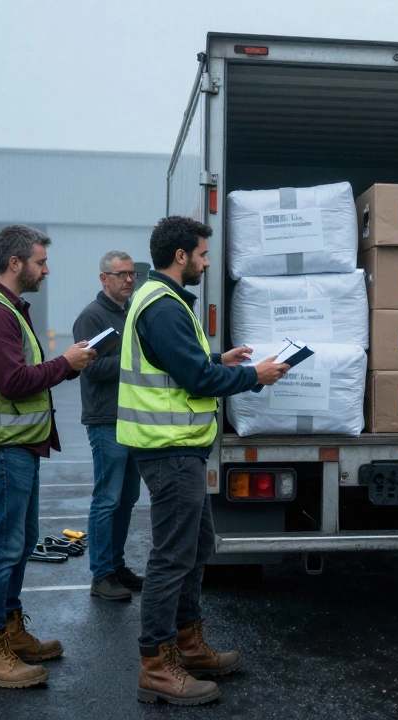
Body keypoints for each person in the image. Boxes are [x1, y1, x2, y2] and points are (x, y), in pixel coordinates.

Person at [118, 216, 289, 706]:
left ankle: (189, 644)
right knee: (172, 557)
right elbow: (193, 380)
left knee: (197, 546)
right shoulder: (163, 307)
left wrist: (221, 360)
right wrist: (253, 375)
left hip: (181, 450)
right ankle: (156, 665)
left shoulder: (164, 301)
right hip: (168, 451)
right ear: (181, 257)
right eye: (203, 254)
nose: (206, 262)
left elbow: (185, 366)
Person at [0, 225, 96, 689]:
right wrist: (64, 365)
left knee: (19, 540)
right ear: (15, 263)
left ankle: (9, 631)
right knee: (2, 547)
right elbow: (13, 382)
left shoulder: (8, 308)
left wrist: (66, 367)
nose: (46, 269)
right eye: (40, 261)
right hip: (0, 449)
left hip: (16, 446)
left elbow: (22, 375)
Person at [73, 250, 145, 601]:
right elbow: (92, 369)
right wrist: (134, 360)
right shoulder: (92, 317)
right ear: (104, 278)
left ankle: (116, 566)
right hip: (106, 420)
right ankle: (101, 576)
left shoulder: (131, 312)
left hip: (132, 419)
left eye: (132, 273)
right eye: (121, 274)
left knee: (127, 498)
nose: (129, 280)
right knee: (107, 498)